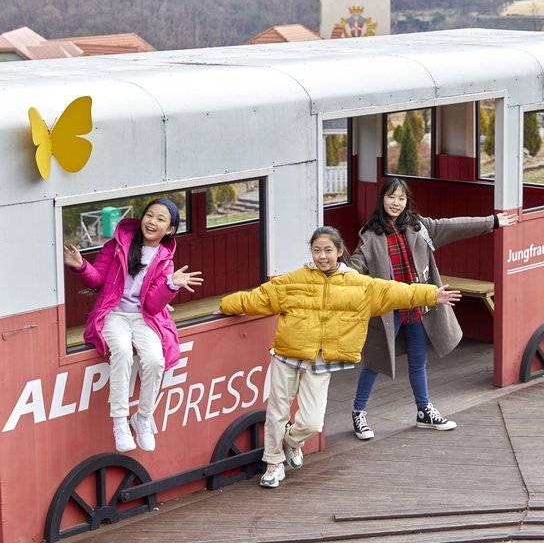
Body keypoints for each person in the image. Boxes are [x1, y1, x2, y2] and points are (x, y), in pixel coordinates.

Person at [219, 225, 460, 488]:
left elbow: (393, 291)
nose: (322, 256)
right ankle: (274, 463)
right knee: (277, 412)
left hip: (321, 361)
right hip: (287, 356)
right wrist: (224, 305)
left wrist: (431, 295)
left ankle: (291, 441)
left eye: (328, 250)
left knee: (312, 421)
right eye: (317, 250)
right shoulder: (294, 280)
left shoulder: (358, 284)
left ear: (340, 251)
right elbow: (259, 298)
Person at [350, 177, 517, 440]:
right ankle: (358, 412)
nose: (396, 203)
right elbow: (355, 267)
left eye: (401, 198)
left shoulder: (420, 227)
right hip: (388, 308)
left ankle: (424, 410)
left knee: (419, 360)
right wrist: (335, 273)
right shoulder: (370, 236)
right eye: (391, 197)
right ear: (382, 198)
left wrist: (492, 222)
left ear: (407, 202)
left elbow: (455, 226)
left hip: (419, 302)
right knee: (375, 360)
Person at [64, 198, 203, 453]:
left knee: (154, 360)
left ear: (170, 230)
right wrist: (81, 266)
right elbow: (97, 282)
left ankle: (143, 418)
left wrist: (171, 284)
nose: (152, 221)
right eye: (149, 215)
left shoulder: (165, 260)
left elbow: (151, 306)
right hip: (114, 313)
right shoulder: (117, 244)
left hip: (143, 317)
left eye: (161, 219)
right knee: (124, 352)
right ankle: (119, 422)